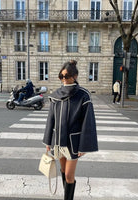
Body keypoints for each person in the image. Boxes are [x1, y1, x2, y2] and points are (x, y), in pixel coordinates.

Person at [43, 60, 98, 200]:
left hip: (73, 143)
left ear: (75, 76)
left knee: (69, 175)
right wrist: (48, 141)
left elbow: (88, 122)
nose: (64, 80)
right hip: (58, 141)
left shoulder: (83, 95)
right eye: (61, 76)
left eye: (66, 76)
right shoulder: (55, 95)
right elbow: (51, 119)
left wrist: (84, 146)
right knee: (63, 171)